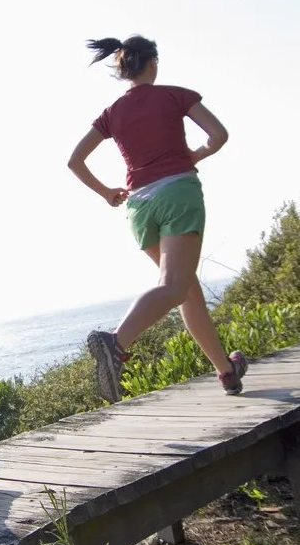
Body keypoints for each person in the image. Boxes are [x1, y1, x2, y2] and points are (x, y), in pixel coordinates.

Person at [68, 35, 247, 402]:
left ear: (123, 69)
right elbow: (219, 135)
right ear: (153, 63)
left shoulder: (112, 113)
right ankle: (115, 343)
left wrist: (106, 193)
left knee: (186, 289)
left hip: (139, 208)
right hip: (177, 195)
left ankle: (227, 371)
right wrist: (196, 155)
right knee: (175, 285)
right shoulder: (175, 95)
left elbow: (75, 161)